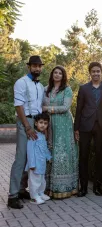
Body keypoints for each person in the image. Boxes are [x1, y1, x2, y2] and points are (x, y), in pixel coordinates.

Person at [7, 55, 45, 209]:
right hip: (25, 122)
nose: (37, 68)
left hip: (36, 122)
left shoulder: (40, 86)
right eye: (34, 66)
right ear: (29, 67)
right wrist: (27, 126)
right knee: (21, 157)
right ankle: (12, 195)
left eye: (39, 66)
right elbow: (18, 106)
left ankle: (22, 189)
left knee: (31, 157)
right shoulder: (21, 82)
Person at [42, 66, 78, 199]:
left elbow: (65, 107)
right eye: (55, 72)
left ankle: (66, 187)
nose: (57, 75)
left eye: (60, 73)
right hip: (49, 124)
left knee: (62, 151)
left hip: (64, 124)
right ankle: (48, 187)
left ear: (63, 76)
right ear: (52, 75)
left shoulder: (67, 89)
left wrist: (48, 108)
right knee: (50, 150)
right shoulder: (45, 89)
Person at [74, 62, 102, 197]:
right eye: (93, 71)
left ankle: (97, 186)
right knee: (83, 156)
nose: (96, 73)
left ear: (101, 72)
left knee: (99, 156)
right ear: (90, 73)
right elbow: (78, 109)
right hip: (85, 125)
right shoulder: (83, 88)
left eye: (98, 71)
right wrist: (76, 128)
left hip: (101, 125)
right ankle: (83, 187)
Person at [25, 113, 52, 205]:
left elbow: (44, 148)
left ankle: (40, 193)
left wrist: (49, 157)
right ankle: (34, 197)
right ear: (36, 123)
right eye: (41, 122)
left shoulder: (42, 135)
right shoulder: (33, 136)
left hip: (42, 164)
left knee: (41, 180)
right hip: (35, 164)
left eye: (45, 123)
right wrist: (32, 164)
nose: (43, 125)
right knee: (34, 181)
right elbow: (30, 151)